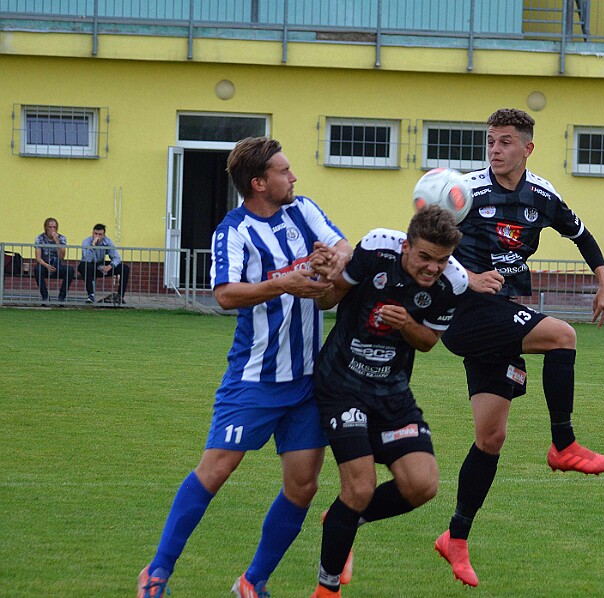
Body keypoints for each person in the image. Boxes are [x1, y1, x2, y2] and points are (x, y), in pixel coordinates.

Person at [137, 136, 352, 598]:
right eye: (283, 171)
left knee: (303, 486)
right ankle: (156, 572)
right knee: (215, 470)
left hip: (308, 381)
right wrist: (285, 283)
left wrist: (332, 262)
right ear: (258, 183)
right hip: (254, 378)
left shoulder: (303, 210)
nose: (293, 177)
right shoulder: (232, 231)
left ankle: (253, 582)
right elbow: (225, 294)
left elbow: (344, 247)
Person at [434, 108, 604, 588]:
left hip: (501, 316)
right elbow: (423, 244)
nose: (495, 150)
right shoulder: (465, 191)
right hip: (467, 312)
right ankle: (564, 445)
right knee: (563, 335)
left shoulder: (542, 194)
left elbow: (582, 235)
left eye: (506, 141)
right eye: (491, 141)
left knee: (490, 438)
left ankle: (455, 537)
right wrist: (468, 276)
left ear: (527, 148)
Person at [310, 206, 468, 598]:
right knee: (360, 487)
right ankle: (327, 589)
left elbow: (428, 342)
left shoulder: (454, 281)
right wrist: (322, 277)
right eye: (425, 257)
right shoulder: (376, 248)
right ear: (406, 247)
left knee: (422, 485)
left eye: (441, 260)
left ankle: (343, 519)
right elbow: (327, 300)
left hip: (392, 392)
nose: (433, 268)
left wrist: (406, 323)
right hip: (342, 384)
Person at [78, 223, 131, 304]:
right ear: (92, 233)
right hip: (88, 265)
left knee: (124, 268)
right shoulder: (86, 242)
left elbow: (116, 257)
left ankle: (120, 296)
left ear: (104, 235)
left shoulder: (107, 241)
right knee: (85, 266)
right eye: (95, 234)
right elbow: (87, 259)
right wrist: (93, 246)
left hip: (100, 265)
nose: (97, 236)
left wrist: (110, 266)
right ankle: (91, 295)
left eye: (100, 234)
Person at [33, 217, 74, 304]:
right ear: (46, 228)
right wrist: (47, 265)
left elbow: (61, 257)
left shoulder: (61, 238)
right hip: (44, 264)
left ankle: (61, 298)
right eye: (50, 227)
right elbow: (38, 258)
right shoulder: (40, 238)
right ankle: (45, 297)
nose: (52, 229)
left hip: (57, 264)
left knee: (70, 270)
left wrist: (57, 242)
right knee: (37, 269)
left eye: (54, 227)